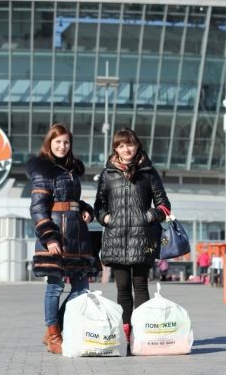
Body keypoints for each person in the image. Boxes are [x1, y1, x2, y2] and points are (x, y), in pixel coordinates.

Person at [94, 128, 171, 345]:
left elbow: (164, 205)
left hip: (142, 238)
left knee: (141, 287)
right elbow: (99, 205)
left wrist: (149, 216)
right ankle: (126, 334)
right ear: (115, 149)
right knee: (122, 289)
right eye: (121, 146)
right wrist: (106, 218)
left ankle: (143, 334)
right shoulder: (107, 174)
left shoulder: (148, 172)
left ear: (137, 146)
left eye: (130, 144)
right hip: (116, 238)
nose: (126, 149)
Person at [27, 123, 96, 355]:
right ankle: (54, 333)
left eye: (66, 142)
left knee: (82, 289)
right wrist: (49, 237)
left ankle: (52, 329)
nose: (62, 146)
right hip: (55, 235)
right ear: (49, 143)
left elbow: (70, 199)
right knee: (55, 286)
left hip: (76, 236)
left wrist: (85, 209)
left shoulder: (71, 169)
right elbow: (38, 208)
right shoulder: (43, 170)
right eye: (57, 142)